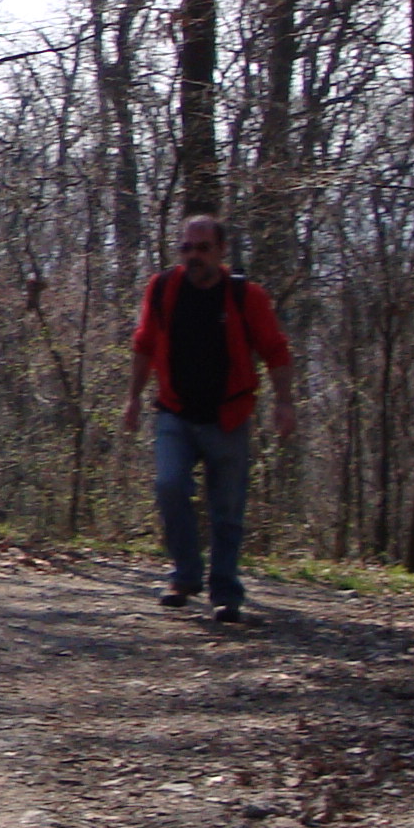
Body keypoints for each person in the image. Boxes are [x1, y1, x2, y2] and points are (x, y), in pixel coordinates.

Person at [126, 214, 294, 626]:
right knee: (168, 486)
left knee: (227, 510)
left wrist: (284, 401)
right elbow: (144, 344)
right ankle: (184, 575)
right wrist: (132, 399)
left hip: (228, 415)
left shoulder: (246, 296)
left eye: (202, 248)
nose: (193, 256)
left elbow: (275, 349)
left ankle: (225, 592)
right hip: (175, 410)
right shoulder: (163, 288)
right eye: (186, 248)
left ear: (221, 251)